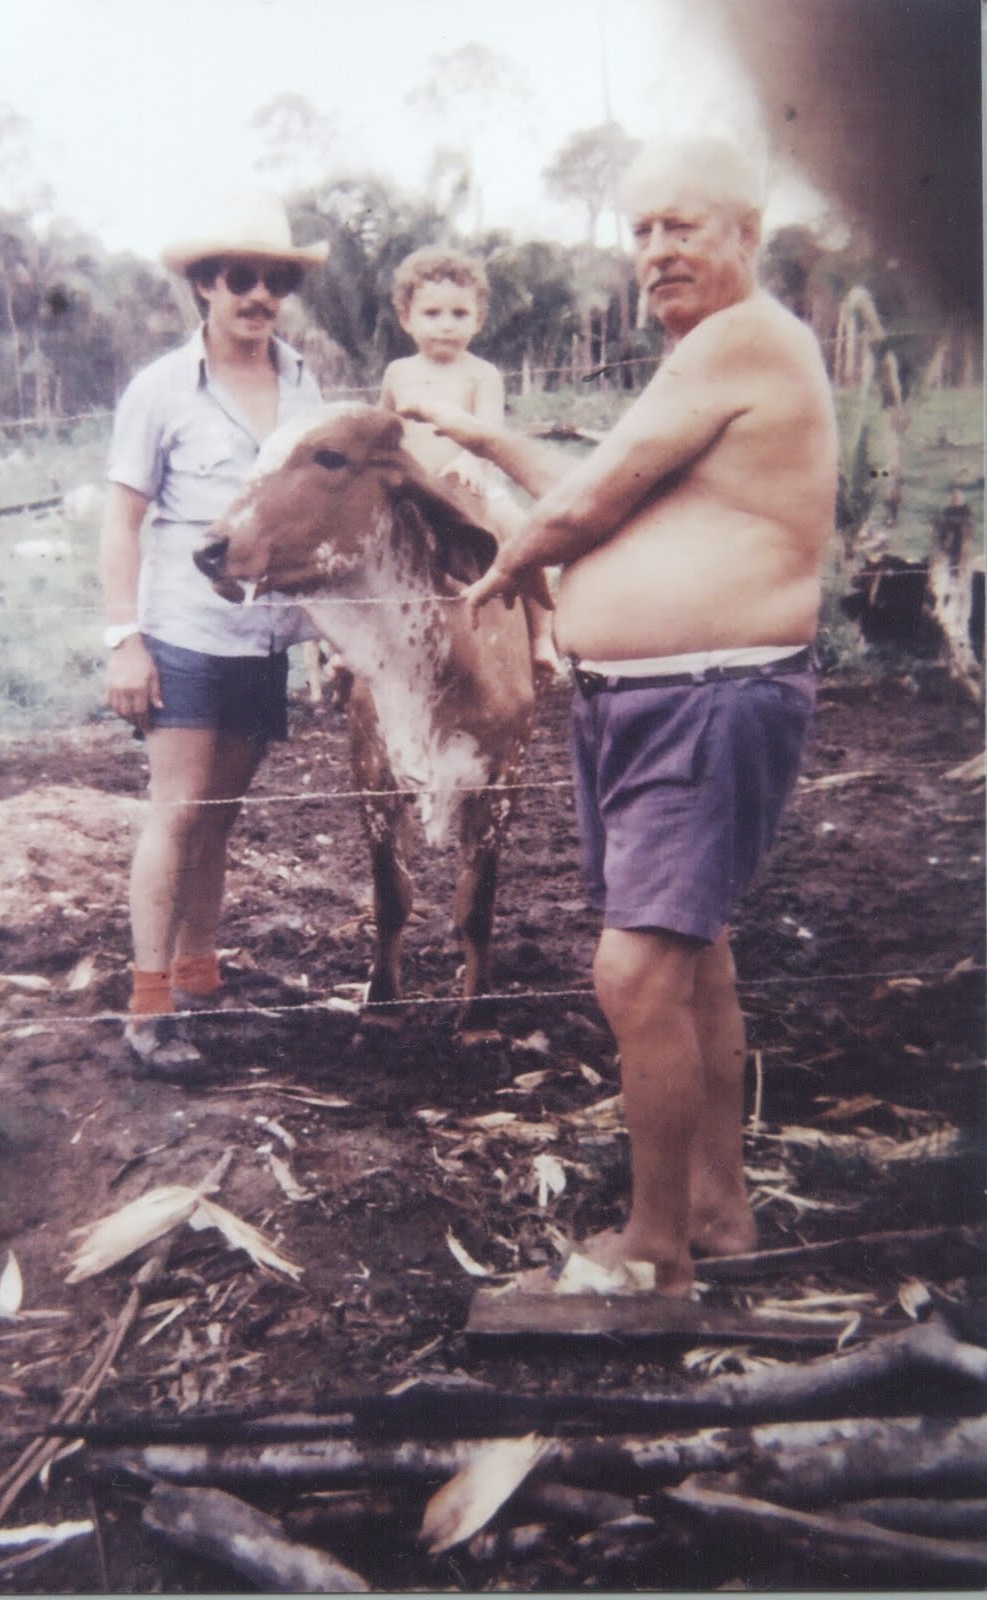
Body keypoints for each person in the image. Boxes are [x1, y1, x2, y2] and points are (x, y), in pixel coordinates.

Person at [404, 138, 839, 1296]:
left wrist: (503, 570)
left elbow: (591, 500)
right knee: (690, 968)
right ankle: (716, 1209)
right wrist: (487, 438)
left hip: (708, 695)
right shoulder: (706, 359)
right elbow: (607, 481)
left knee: (637, 973)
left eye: (681, 227)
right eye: (640, 231)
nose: (655, 252)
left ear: (747, 232)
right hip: (652, 701)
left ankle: (656, 1253)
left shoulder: (749, 336)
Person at [99, 188, 329, 1073]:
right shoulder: (160, 389)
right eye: (240, 278)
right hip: (187, 631)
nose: (258, 296)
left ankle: (198, 978)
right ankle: (148, 1005)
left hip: (266, 634)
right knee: (179, 808)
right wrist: (125, 637)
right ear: (203, 284)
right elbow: (122, 520)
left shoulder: (302, 384)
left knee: (221, 818)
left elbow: (310, 517)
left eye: (274, 281)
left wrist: (322, 637)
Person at [381, 246, 560, 688]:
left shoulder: (481, 374)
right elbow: (384, 429)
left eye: (459, 313)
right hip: (415, 494)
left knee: (524, 533)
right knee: (369, 550)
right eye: (432, 312)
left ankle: (542, 637)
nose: (446, 323)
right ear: (407, 318)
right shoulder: (398, 373)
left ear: (478, 320)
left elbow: (488, 431)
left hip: (474, 487)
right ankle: (352, 652)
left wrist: (467, 457)